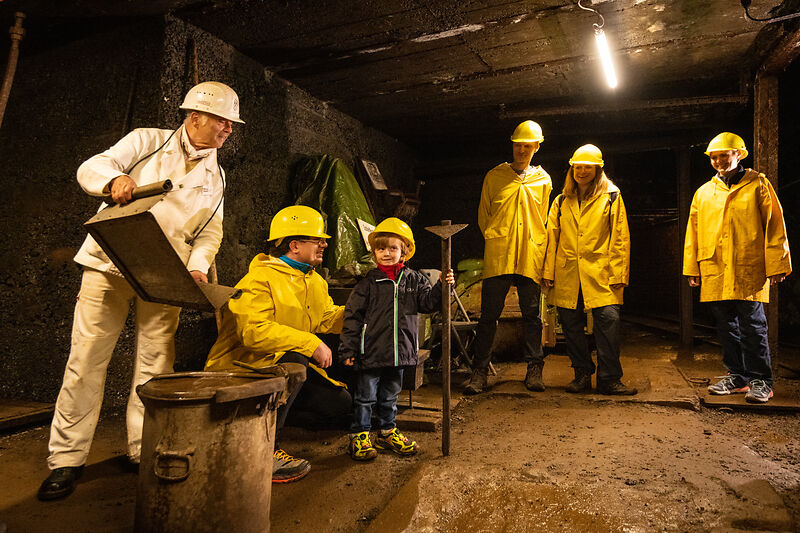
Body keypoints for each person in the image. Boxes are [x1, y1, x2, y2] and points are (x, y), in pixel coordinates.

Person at [38, 81, 243, 501]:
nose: (227, 128)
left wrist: (198, 268)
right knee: (86, 358)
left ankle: (141, 448)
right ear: (194, 117)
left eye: (231, 123)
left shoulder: (217, 174)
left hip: (163, 276)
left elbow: (209, 233)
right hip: (109, 261)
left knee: (155, 363)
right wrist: (114, 178)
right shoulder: (146, 141)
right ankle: (66, 460)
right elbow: (90, 167)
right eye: (221, 119)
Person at [204, 205, 351, 482]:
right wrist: (309, 342)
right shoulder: (259, 279)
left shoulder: (314, 281)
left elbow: (325, 317)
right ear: (294, 245)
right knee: (296, 359)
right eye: (317, 239)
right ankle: (263, 450)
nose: (323, 244)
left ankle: (255, 423)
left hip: (281, 367)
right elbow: (254, 333)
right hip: (243, 368)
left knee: (339, 404)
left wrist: (360, 312)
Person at [683, 132, 791, 403]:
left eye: (724, 155)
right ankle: (738, 376)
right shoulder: (704, 192)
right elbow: (693, 233)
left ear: (738, 154)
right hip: (715, 267)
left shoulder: (759, 185)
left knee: (753, 325)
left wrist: (777, 263)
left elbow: (774, 226)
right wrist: (692, 268)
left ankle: (761, 381)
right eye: (714, 156)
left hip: (748, 266)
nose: (719, 160)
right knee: (725, 325)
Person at [339, 218, 454, 461]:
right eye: (381, 248)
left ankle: (386, 432)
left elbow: (429, 304)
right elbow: (352, 318)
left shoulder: (414, 280)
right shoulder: (367, 284)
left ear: (405, 251)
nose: (387, 253)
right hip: (370, 352)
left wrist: (444, 286)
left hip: (399, 353)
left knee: (391, 396)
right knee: (365, 397)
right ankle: (360, 436)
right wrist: (348, 349)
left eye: (393, 248)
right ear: (374, 253)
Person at [464, 120, 552, 395]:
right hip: (500, 255)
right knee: (488, 316)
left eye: (528, 145)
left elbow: (545, 218)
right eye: (518, 145)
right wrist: (496, 235)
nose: (522, 150)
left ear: (537, 147)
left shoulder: (543, 180)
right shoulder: (495, 176)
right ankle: (480, 373)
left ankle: (534, 369)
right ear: (512, 145)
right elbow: (484, 215)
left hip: (529, 255)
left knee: (532, 317)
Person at [542, 144, 636, 395]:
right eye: (578, 167)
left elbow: (620, 237)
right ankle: (582, 374)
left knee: (608, 323)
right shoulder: (562, 200)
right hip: (568, 272)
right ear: (572, 169)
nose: (582, 171)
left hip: (601, 272)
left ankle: (609, 379)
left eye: (587, 167)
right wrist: (548, 273)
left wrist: (619, 274)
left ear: (597, 169)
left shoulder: (612, 196)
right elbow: (552, 238)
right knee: (571, 328)